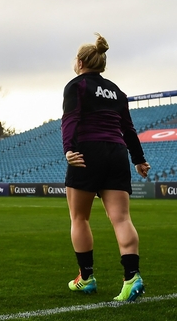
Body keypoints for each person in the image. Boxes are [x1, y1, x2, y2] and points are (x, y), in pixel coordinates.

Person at [62, 33, 150, 303]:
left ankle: (86, 279)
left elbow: (71, 119)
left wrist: (69, 148)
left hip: (87, 152)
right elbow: (128, 129)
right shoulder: (117, 91)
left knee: (79, 218)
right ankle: (131, 277)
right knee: (122, 219)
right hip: (116, 153)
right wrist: (139, 159)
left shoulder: (76, 86)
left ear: (79, 62)